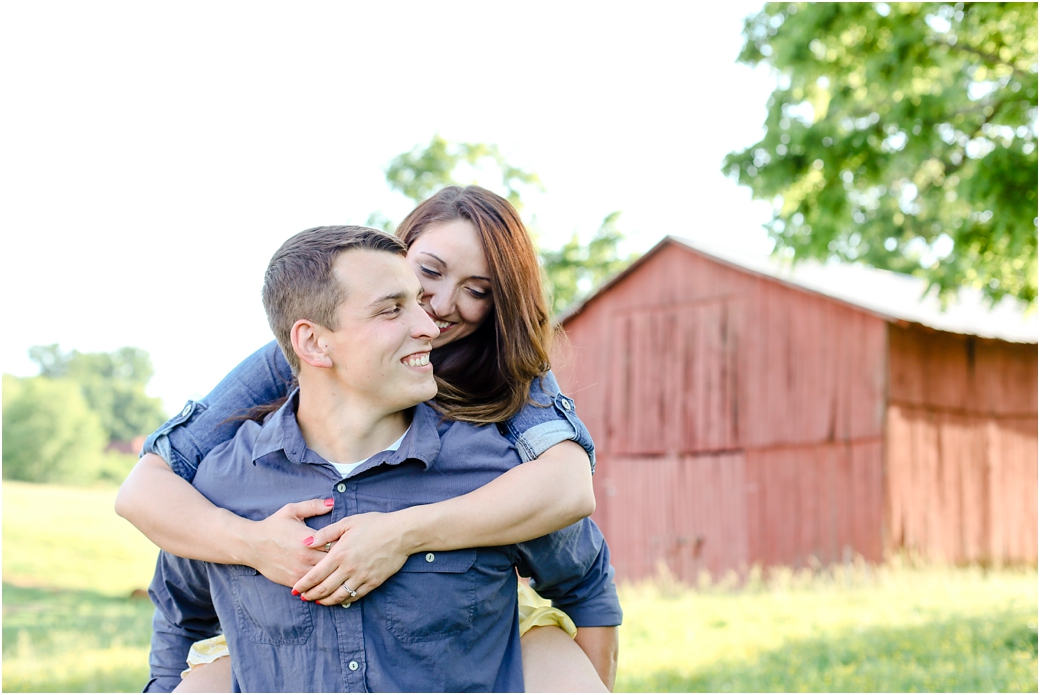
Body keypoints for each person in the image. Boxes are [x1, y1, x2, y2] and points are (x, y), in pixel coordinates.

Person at [117, 186, 618, 691]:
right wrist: (254, 544)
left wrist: (401, 532)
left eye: (478, 290)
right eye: (429, 274)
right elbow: (148, 489)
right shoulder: (281, 375)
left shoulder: (505, 379)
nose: (439, 310)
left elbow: (570, 491)